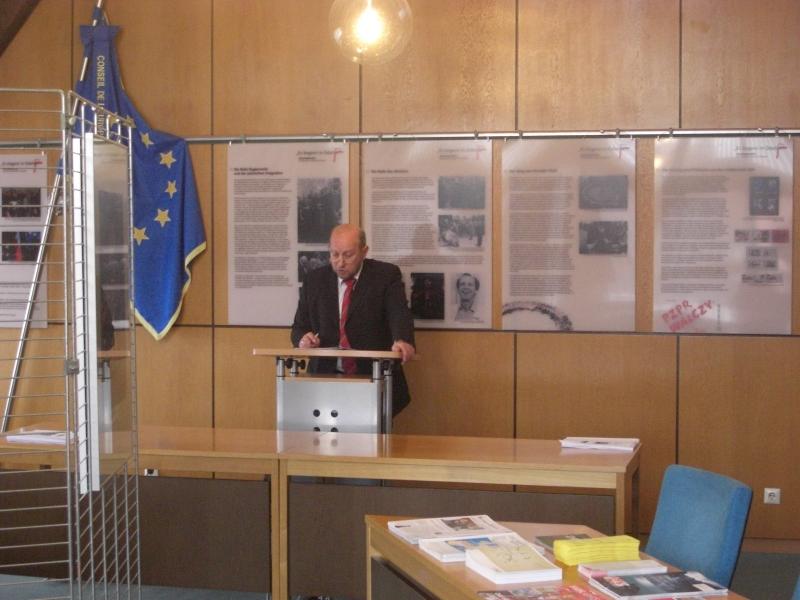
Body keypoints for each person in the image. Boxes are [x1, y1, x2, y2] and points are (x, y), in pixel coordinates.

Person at [291, 224, 416, 415]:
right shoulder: (314, 280)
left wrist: (402, 340)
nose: (340, 262)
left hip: (373, 379)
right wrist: (303, 339)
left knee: (373, 433)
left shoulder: (385, 275)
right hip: (325, 380)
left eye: (348, 255)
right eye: (334, 254)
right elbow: (299, 327)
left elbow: (398, 313)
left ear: (364, 251)